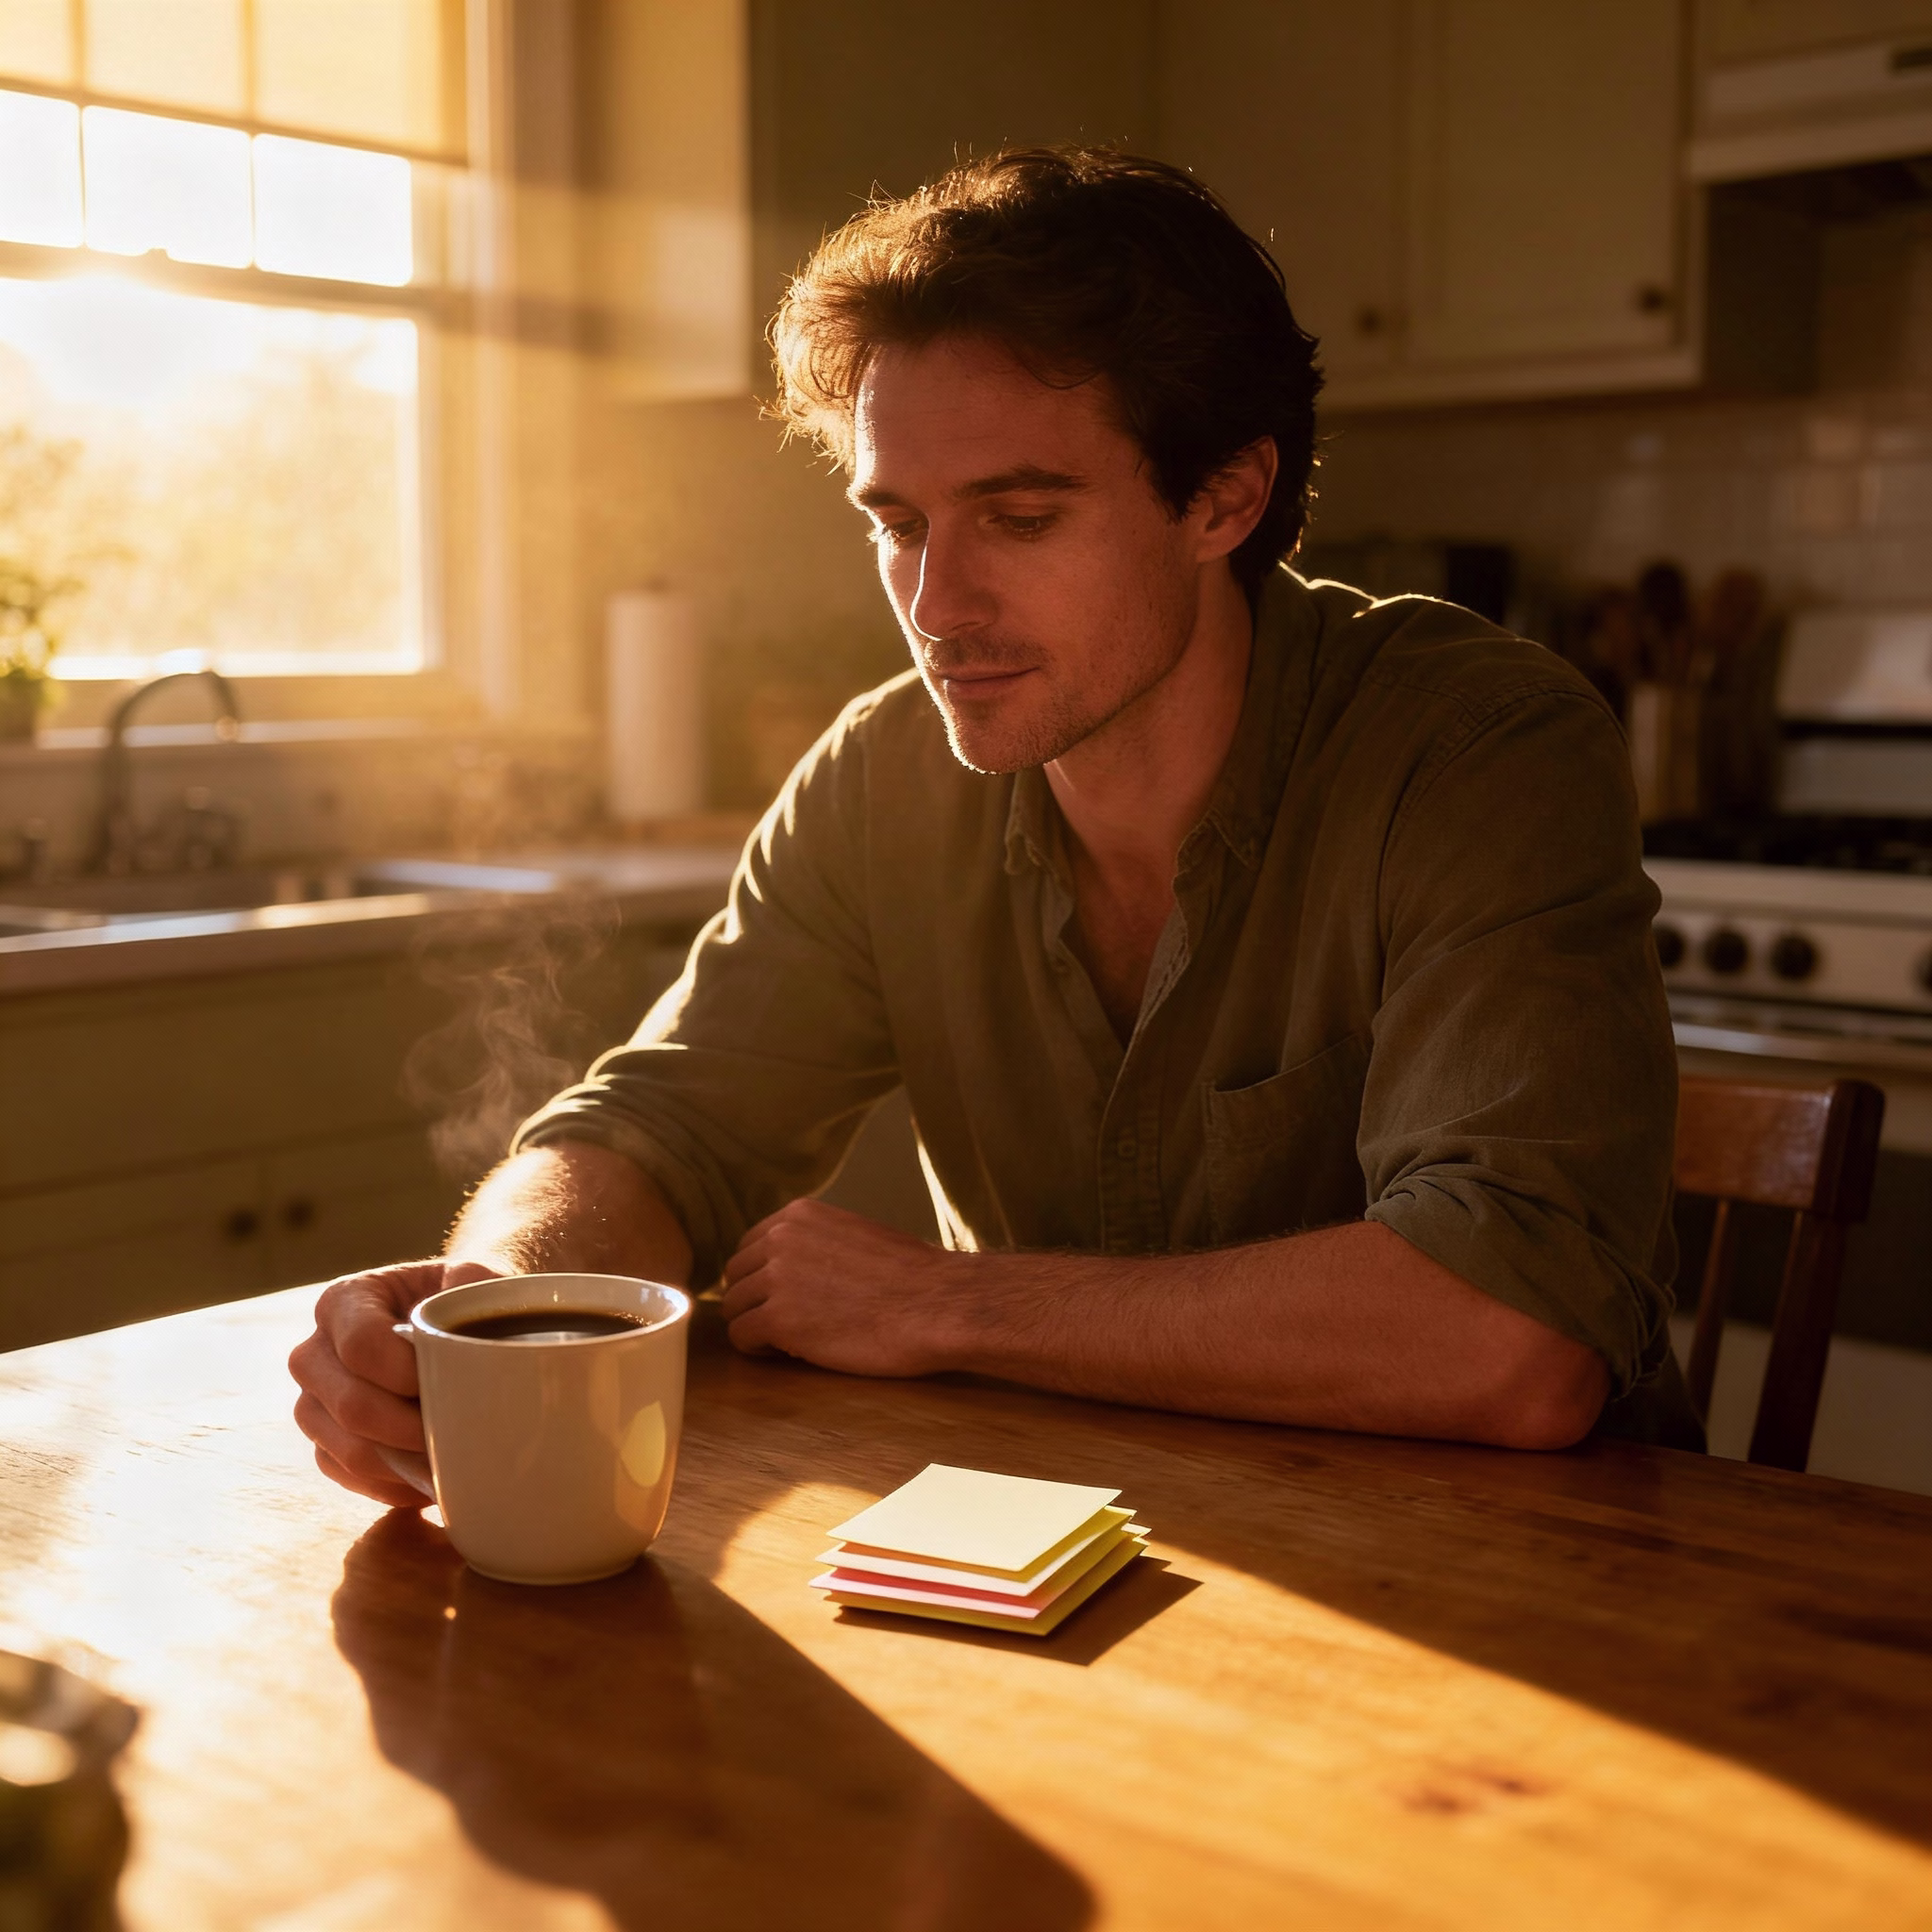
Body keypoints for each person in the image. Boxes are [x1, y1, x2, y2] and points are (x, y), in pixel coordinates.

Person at [291, 148, 1697, 1509]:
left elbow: (1512, 1343)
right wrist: (487, 1309)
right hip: (1071, 1559)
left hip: (1538, 1590)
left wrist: (950, 1303)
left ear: (1225, 497)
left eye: (1019, 519)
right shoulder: (879, 780)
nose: (937, 605)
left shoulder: (1476, 751)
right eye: (897, 522)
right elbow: (661, 1130)